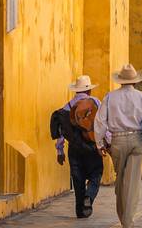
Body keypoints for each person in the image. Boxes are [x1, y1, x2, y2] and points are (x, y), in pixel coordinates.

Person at [94, 64, 142, 228]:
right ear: (134, 81)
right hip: (137, 140)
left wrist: (99, 143)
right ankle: (128, 221)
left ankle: (123, 218)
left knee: (121, 180)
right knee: (131, 182)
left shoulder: (110, 97)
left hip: (117, 141)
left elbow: (100, 122)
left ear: (121, 81)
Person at [50, 75, 104, 218]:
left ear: (76, 91)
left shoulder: (66, 108)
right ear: (89, 91)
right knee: (96, 175)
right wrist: (106, 144)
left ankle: (80, 211)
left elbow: (62, 132)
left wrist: (59, 150)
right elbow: (103, 125)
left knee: (78, 179)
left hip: (74, 149)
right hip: (93, 147)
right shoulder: (96, 103)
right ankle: (89, 196)